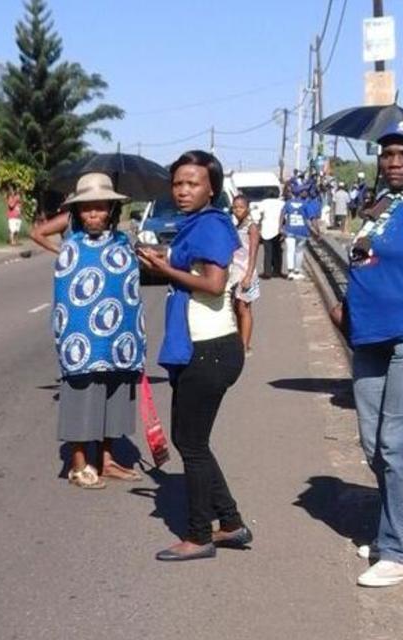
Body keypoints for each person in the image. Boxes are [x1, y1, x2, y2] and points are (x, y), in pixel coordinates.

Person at [137, 150, 251, 562]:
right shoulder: (197, 225)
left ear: (212, 189)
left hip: (210, 350)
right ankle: (232, 524)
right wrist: (159, 261)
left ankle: (199, 534)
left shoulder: (212, 226)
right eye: (178, 183)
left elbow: (213, 284)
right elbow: (194, 271)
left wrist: (165, 271)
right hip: (201, 348)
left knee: (192, 443)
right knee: (193, 440)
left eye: (193, 183)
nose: (183, 190)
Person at [332, 120, 403, 588]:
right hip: (369, 338)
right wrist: (346, 304)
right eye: (387, 154)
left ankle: (399, 551)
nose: (393, 162)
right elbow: (369, 258)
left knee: (399, 445)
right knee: (374, 444)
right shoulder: (383, 204)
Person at [30, 173, 145, 489]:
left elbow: (129, 287)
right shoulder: (71, 243)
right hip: (81, 337)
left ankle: (107, 460)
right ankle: (79, 464)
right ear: (77, 211)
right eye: (86, 209)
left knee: (114, 394)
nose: (93, 214)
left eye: (100, 207)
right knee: (81, 394)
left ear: (110, 209)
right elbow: (41, 238)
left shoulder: (123, 242)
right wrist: (61, 254)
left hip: (119, 337)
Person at [230, 195, 260, 355]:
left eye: (240, 207)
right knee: (237, 307)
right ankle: (242, 340)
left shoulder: (252, 227)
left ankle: (244, 346)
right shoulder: (238, 225)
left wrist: (249, 275)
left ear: (247, 208)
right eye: (235, 207)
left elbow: (254, 252)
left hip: (247, 272)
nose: (237, 210)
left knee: (244, 308)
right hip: (236, 271)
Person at [281, 188, 321, 280]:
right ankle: (297, 271)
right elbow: (312, 218)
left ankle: (290, 272)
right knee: (299, 251)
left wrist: (280, 228)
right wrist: (317, 231)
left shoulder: (288, 203)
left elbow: (282, 214)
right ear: (301, 194)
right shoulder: (306, 204)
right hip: (302, 232)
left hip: (289, 230)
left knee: (290, 251)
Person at [257, 186, 284, 279]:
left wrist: (258, 225)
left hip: (266, 229)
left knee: (268, 252)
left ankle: (267, 272)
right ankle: (277, 271)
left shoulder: (264, 203)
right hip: (278, 229)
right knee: (277, 251)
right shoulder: (281, 203)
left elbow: (257, 214)